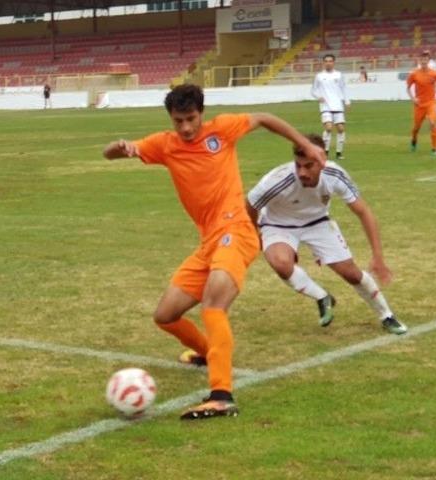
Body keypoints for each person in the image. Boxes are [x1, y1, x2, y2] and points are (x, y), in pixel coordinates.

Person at [102, 84, 325, 420]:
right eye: (179, 121)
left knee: (213, 305)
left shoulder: (222, 129)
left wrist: (306, 145)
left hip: (236, 232)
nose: (186, 128)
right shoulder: (165, 144)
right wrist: (122, 147)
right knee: (165, 315)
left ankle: (221, 395)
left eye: (191, 119)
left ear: (201, 114)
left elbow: (264, 118)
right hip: (209, 243)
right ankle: (208, 352)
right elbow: (109, 154)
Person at [246, 133, 407, 335]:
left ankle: (387, 316)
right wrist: (257, 235)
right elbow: (249, 205)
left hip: (317, 222)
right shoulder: (278, 180)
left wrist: (378, 256)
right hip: (277, 224)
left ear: (322, 162)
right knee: (280, 262)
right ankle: (323, 297)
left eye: (308, 166)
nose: (302, 172)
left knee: (351, 273)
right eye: (298, 165)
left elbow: (364, 212)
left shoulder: (335, 174)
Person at [407, 51, 436, 156]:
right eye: (422, 59)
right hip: (419, 105)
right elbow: (408, 88)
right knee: (416, 128)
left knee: (433, 124)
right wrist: (413, 99)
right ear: (419, 61)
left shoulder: (435, 73)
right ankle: (414, 141)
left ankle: (434, 149)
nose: (423, 61)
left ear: (428, 61)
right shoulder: (414, 74)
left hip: (431, 103)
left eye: (425, 59)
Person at [311, 54, 350, 161]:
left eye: (330, 61)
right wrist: (319, 97)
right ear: (323, 63)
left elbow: (344, 88)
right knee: (328, 128)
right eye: (326, 61)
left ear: (334, 62)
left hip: (338, 105)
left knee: (341, 129)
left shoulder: (339, 75)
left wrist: (347, 101)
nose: (328, 63)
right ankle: (325, 152)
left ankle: (339, 153)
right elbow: (313, 90)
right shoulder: (319, 76)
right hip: (326, 106)